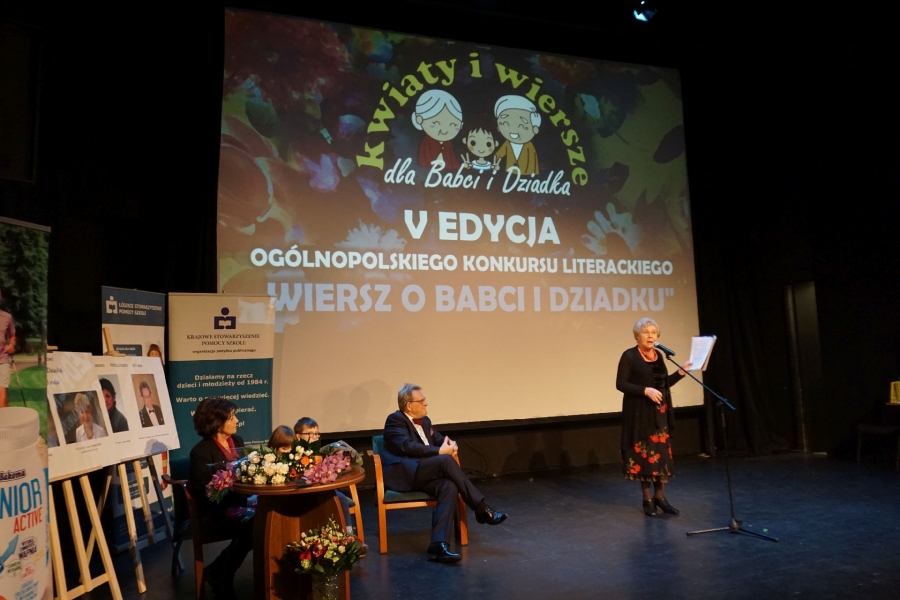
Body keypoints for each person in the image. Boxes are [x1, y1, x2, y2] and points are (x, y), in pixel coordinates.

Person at [381, 383, 508, 563]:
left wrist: (451, 444)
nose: (426, 403)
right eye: (421, 400)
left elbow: (440, 439)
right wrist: (440, 452)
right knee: (445, 460)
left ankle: (438, 545)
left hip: (423, 472)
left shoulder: (425, 421)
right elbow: (407, 446)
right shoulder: (395, 420)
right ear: (409, 405)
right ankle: (481, 509)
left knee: (448, 486)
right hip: (405, 474)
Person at [616, 317, 691, 517]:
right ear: (637, 336)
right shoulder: (629, 356)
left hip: (659, 415)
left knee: (660, 458)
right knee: (644, 457)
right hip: (640, 415)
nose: (650, 336)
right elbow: (621, 384)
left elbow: (663, 384)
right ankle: (647, 499)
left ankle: (660, 497)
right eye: (645, 332)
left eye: (653, 332)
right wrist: (645, 390)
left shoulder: (658, 356)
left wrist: (680, 373)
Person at [189, 397, 253, 600]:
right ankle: (222, 573)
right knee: (256, 523)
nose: (237, 421)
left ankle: (218, 570)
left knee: (269, 515)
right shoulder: (200, 452)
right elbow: (205, 492)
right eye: (231, 417)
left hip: (242, 504)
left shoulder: (238, 441)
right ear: (217, 422)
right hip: (217, 513)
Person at [292, 417, 353, 530]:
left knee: (340, 498)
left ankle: (348, 534)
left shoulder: (321, 454)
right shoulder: (294, 456)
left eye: (316, 434)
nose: (315, 437)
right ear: (298, 436)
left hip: (324, 489)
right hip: (304, 493)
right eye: (310, 434)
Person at [412, 89, 462, 170]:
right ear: (419, 120)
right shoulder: (427, 142)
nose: (444, 131)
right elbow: (423, 163)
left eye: (453, 125)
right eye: (435, 124)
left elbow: (453, 163)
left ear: (461, 125)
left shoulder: (448, 144)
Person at [0, 286, 17, 409]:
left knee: (2, 394)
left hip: (2, 359)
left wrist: (11, 345)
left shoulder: (7, 317)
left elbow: (12, 335)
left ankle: (3, 420)